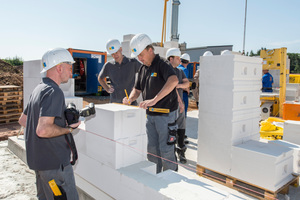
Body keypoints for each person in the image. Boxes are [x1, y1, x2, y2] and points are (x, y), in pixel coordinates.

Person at [18, 48, 81, 200]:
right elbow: (43, 130)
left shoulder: (39, 89)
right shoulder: (54, 91)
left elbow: (23, 120)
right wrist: (67, 129)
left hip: (40, 164)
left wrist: (58, 122)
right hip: (55, 167)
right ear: (59, 68)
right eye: (69, 67)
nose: (71, 72)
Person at [122, 33, 179, 173]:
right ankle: (156, 180)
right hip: (150, 117)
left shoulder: (162, 64)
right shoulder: (143, 69)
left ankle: (173, 182)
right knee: (152, 151)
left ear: (150, 50)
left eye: (141, 55)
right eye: (138, 57)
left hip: (166, 116)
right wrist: (130, 98)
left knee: (166, 151)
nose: (140, 59)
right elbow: (137, 89)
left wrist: (154, 100)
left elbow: (174, 81)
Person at [98, 39, 141, 104]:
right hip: (115, 103)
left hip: (130, 102)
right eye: (112, 54)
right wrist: (107, 88)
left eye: (116, 53)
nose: (115, 56)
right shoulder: (108, 65)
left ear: (121, 49)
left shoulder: (132, 62)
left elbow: (145, 72)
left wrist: (137, 86)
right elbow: (100, 78)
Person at [166, 48, 190, 164]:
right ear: (171, 58)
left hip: (179, 107)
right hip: (170, 106)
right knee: (170, 130)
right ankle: (172, 153)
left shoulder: (179, 71)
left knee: (181, 129)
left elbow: (187, 83)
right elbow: (172, 88)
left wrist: (179, 85)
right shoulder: (165, 70)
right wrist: (180, 102)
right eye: (178, 58)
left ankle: (181, 151)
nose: (180, 60)